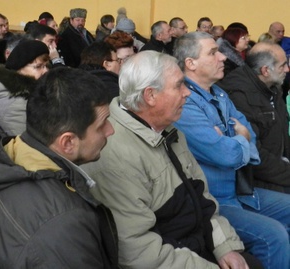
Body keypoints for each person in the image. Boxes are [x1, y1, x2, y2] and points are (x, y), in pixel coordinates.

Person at [81, 50, 258, 268]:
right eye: (178, 86)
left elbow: (202, 197)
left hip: (193, 246)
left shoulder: (168, 130)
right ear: (150, 96)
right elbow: (140, 252)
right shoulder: (114, 153)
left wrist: (225, 246)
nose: (187, 93)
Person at [0, 66, 118, 269]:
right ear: (67, 143)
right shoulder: (63, 223)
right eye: (102, 125)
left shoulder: (1, 161)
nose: (111, 130)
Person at [173, 31, 290, 269]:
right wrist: (240, 139)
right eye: (213, 52)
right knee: (274, 236)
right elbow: (226, 155)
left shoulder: (220, 93)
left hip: (242, 190)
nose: (223, 58)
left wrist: (237, 140)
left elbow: (250, 139)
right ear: (190, 63)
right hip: (215, 200)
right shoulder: (184, 102)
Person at [218, 42, 290, 193]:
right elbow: (255, 156)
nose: (287, 69)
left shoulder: (272, 87)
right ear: (265, 71)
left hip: (278, 172)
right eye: (283, 65)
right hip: (258, 183)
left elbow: (282, 137)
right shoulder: (239, 96)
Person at [0, 40, 49, 137]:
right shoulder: (13, 108)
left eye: (46, 66)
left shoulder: (36, 91)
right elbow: (32, 144)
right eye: (38, 67)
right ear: (19, 69)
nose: (45, 71)